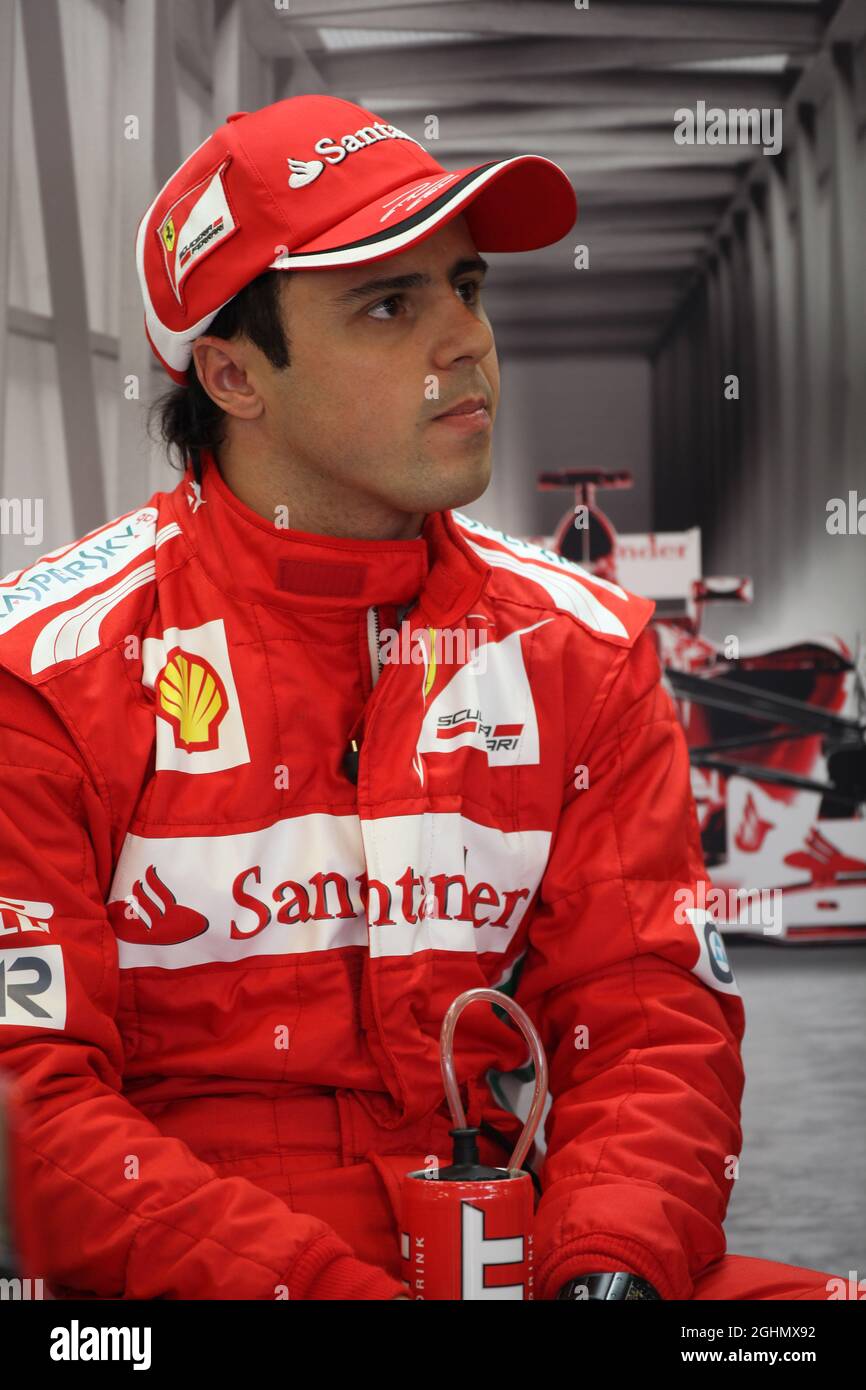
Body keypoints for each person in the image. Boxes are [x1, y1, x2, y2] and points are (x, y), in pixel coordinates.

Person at [0, 95, 840, 1301]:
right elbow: (27, 1108)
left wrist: (609, 1265)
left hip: (517, 1253)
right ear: (233, 375)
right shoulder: (48, 671)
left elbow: (645, 1012)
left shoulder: (583, 645)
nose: (467, 342)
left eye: (468, 286)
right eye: (390, 305)